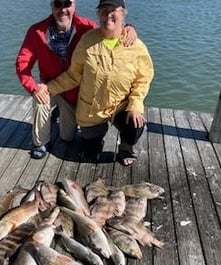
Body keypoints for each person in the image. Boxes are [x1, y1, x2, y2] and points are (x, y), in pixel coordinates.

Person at [15, 0, 137, 159]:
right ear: (51, 6)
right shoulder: (36, 31)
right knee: (40, 98)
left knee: (67, 137)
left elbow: (110, 29)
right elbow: (22, 63)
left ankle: (60, 114)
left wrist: (130, 28)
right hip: (49, 87)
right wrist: (33, 87)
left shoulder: (87, 28)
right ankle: (41, 143)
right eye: (58, 4)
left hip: (73, 92)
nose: (63, 9)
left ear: (74, 5)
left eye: (67, 3)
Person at [46, 0, 154, 166]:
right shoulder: (87, 40)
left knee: (135, 124)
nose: (108, 15)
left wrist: (135, 105)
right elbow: (73, 75)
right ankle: (95, 142)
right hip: (92, 108)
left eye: (113, 10)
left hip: (120, 105)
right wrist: (48, 88)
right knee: (89, 151)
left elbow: (143, 78)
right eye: (103, 10)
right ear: (98, 14)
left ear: (123, 13)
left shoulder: (136, 45)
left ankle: (125, 148)